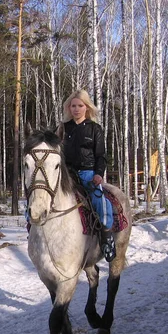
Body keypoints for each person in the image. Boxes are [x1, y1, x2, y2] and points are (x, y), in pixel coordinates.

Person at [56, 89, 115, 262]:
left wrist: (98, 174)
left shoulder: (94, 129)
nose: (76, 109)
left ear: (86, 107)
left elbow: (101, 156)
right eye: (73, 106)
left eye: (80, 106)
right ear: (68, 108)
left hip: (88, 173)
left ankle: (106, 238)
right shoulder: (62, 128)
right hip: (66, 173)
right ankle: (34, 229)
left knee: (100, 201)